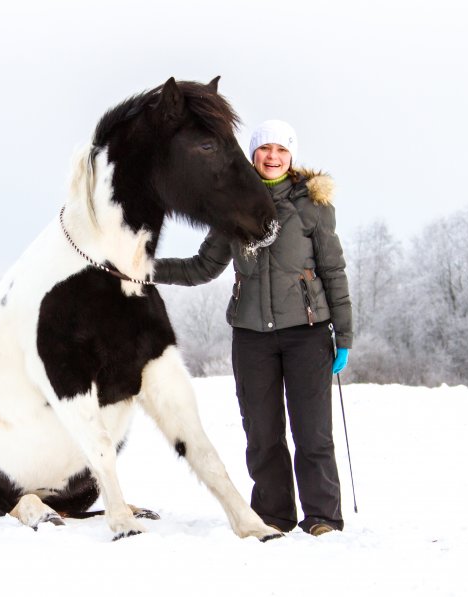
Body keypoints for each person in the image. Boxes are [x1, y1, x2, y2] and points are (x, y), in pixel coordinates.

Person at [153, 119, 353, 536]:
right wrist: (146, 269)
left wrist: (344, 337)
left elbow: (333, 270)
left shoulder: (311, 205)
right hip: (251, 337)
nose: (273, 157)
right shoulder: (231, 204)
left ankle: (321, 517)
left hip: (307, 332)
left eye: (281, 150)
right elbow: (201, 267)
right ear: (253, 154)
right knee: (261, 433)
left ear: (291, 155)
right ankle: (273, 516)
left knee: (312, 432)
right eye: (265, 149)